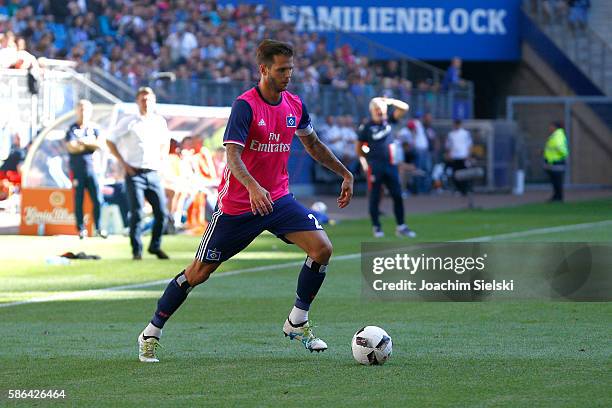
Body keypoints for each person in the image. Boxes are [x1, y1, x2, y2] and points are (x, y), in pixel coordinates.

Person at [136, 39, 354, 362]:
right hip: (237, 207)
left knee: (322, 248)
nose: (288, 76)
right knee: (198, 272)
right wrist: (253, 187)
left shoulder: (294, 105)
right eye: (281, 70)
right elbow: (232, 156)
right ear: (263, 69)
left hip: (277, 200)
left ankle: (297, 321)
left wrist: (345, 173)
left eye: (291, 69)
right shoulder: (245, 106)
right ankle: (151, 332)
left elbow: (314, 144)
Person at [107, 87, 170, 260]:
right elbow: (110, 139)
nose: (146, 103)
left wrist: (162, 159)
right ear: (137, 102)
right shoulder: (129, 121)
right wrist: (123, 163)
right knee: (137, 212)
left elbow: (166, 141)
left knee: (162, 213)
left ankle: (155, 246)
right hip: (134, 172)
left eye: (149, 99)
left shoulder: (159, 122)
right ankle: (137, 250)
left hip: (153, 172)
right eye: (142, 100)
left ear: (154, 101)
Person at [357, 96, 416, 238]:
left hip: (391, 165)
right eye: (378, 109)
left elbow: (404, 107)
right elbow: (359, 149)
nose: (381, 112)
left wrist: (389, 101)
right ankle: (376, 226)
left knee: (397, 195)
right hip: (375, 166)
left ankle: (401, 226)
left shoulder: (388, 121)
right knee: (375, 197)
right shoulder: (366, 127)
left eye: (382, 109)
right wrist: (364, 164)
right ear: (372, 110)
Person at [64, 99, 107, 239]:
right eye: (80, 108)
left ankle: (99, 227)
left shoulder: (94, 128)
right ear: (77, 110)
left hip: (93, 170)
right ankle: (81, 229)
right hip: (77, 170)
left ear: (90, 112)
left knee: (98, 199)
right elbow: (71, 146)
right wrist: (89, 145)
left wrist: (84, 143)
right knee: (79, 200)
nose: (83, 112)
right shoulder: (72, 129)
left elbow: (100, 144)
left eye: (85, 109)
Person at [445, 119, 473, 205]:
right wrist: (449, 154)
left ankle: (465, 189)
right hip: (455, 156)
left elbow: (469, 144)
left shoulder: (465, 133)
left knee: (464, 174)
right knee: (455, 174)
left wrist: (468, 155)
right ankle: (458, 189)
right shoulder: (451, 134)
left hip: (463, 156)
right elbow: (449, 145)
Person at [543, 121, 568, 202]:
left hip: (557, 161)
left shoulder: (558, 135)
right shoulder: (555, 135)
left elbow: (560, 148)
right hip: (552, 161)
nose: (549, 128)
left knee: (557, 180)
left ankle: (558, 197)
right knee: (554, 181)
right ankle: (556, 196)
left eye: (551, 126)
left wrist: (560, 155)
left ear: (555, 127)